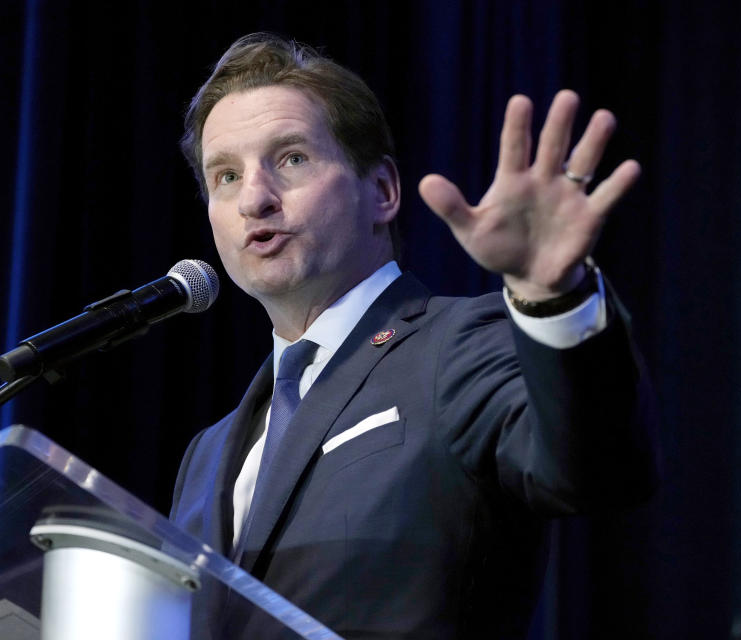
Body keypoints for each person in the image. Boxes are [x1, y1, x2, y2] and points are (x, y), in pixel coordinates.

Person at [170, 32, 658, 639]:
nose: (255, 200)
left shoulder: (458, 347)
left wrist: (554, 297)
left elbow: (598, 468)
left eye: (291, 158)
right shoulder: (207, 455)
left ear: (382, 192)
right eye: (225, 176)